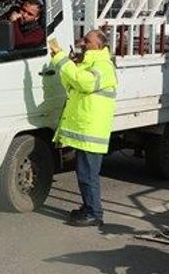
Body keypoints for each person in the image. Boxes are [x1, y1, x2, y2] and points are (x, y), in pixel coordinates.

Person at [49, 30, 117, 227]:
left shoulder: (103, 66)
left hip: (92, 132)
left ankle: (94, 213)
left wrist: (62, 59)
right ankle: (89, 208)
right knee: (84, 174)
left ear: (99, 45)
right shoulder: (88, 63)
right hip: (86, 131)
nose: (83, 43)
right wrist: (66, 63)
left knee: (88, 176)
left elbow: (84, 82)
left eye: (87, 41)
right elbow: (72, 84)